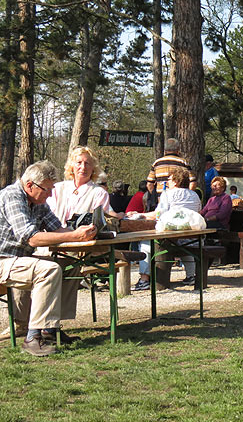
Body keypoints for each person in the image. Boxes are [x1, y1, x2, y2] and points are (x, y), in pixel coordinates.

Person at [10, 147, 123, 332]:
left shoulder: (97, 193)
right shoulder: (53, 189)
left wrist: (76, 234)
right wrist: (66, 235)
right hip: (39, 244)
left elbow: (67, 224)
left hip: (74, 246)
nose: (83, 167)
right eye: (79, 162)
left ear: (93, 167)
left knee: (69, 263)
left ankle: (52, 323)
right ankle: (23, 323)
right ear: (71, 165)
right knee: (36, 261)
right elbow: (37, 231)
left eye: (87, 163)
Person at [0, 161, 97, 355]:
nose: (51, 194)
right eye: (47, 189)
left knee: (70, 264)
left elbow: (58, 229)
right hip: (3, 260)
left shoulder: (38, 202)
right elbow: (32, 238)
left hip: (21, 260)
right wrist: (74, 236)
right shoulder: (12, 196)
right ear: (30, 185)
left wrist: (84, 232)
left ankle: (50, 330)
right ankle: (33, 338)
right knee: (49, 270)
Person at [135, 167, 202, 288]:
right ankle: (191, 275)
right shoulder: (195, 195)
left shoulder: (167, 194)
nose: (167, 182)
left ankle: (144, 279)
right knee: (184, 239)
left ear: (176, 181)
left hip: (169, 242)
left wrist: (139, 215)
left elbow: (158, 214)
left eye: (169, 179)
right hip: (191, 241)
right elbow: (197, 212)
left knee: (145, 243)